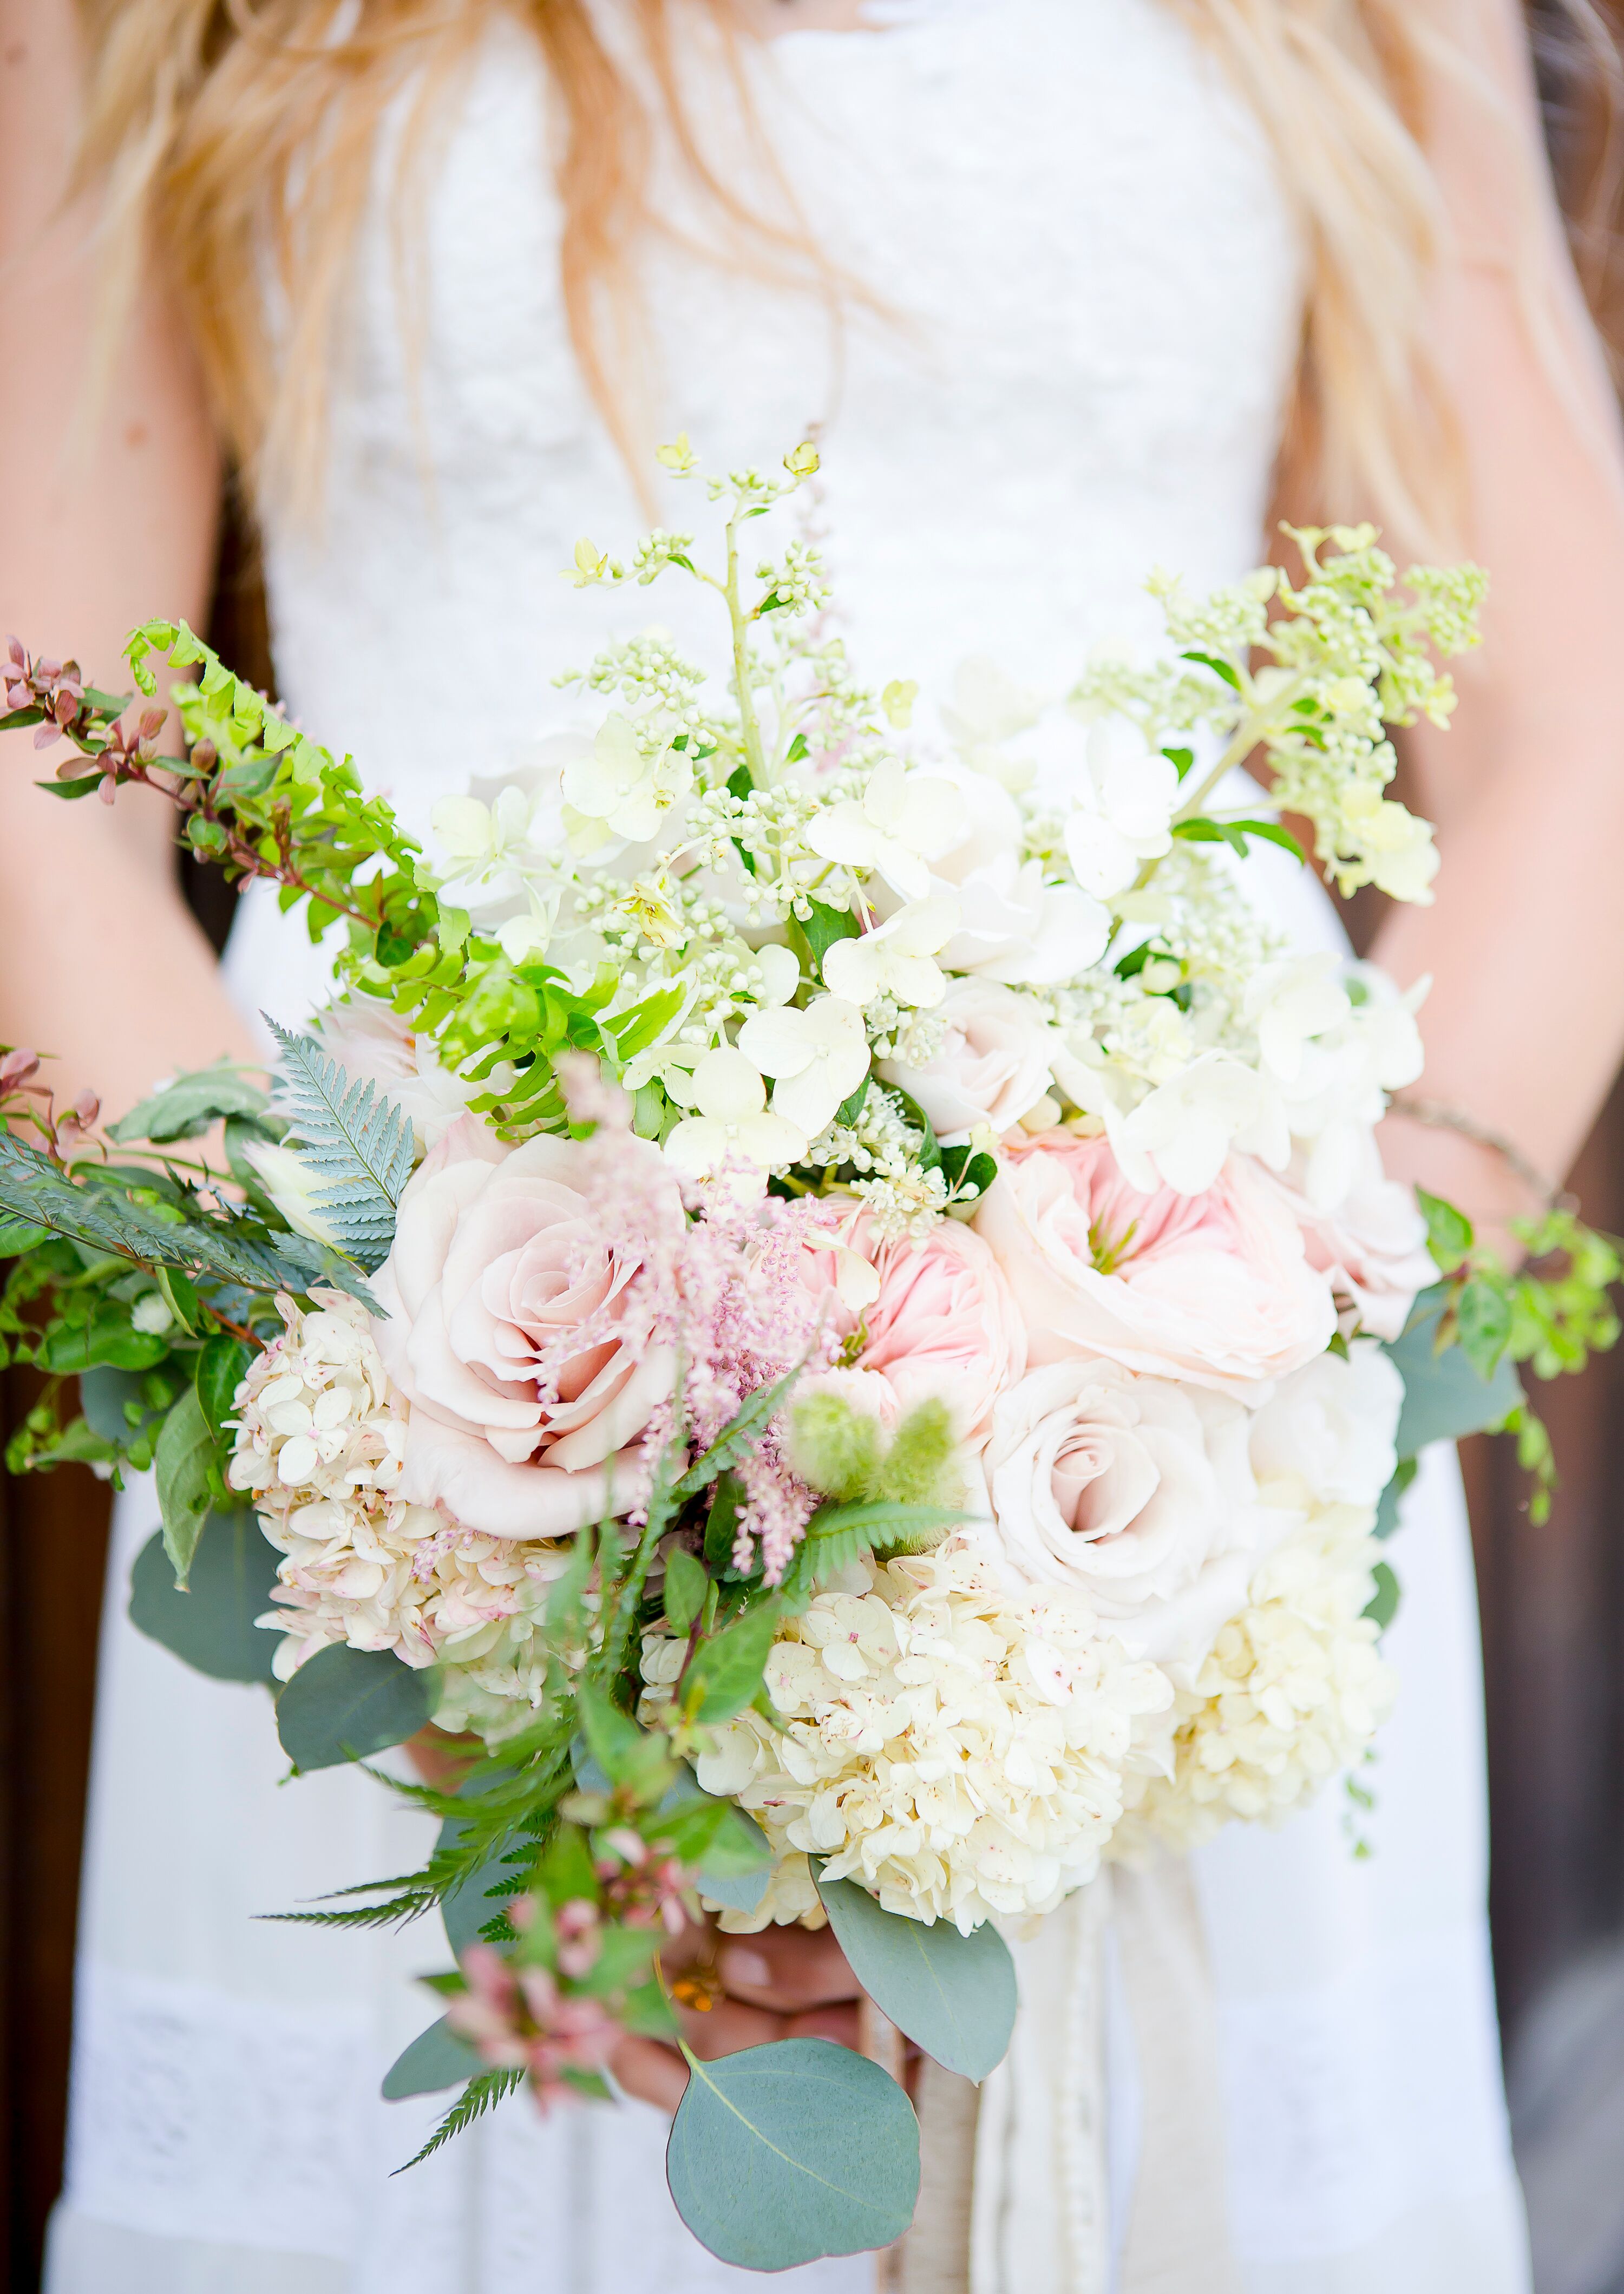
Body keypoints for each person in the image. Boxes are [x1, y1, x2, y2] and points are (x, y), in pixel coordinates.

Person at [5, 0, 1624, 2288]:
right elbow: (27, 761)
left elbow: (1572, 731)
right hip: (403, 1363)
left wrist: (1239, 1412)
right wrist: (433, 1521)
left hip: (1171, 1422)